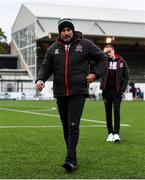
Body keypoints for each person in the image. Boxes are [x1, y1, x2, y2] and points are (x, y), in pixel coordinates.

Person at [35, 18, 107, 172]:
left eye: (69, 30)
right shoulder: (53, 48)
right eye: (63, 30)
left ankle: (70, 160)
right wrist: (40, 79)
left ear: (72, 31)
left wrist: (95, 74)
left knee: (73, 124)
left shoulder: (85, 44)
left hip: (78, 91)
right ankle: (72, 155)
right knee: (66, 126)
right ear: (60, 32)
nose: (66, 33)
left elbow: (102, 58)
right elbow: (46, 66)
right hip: (60, 91)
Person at [100, 44, 129, 142]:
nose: (107, 54)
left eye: (109, 52)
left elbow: (126, 77)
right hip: (106, 91)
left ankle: (116, 133)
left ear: (113, 51)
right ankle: (110, 133)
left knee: (116, 111)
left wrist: (122, 90)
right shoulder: (103, 62)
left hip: (117, 92)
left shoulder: (121, 61)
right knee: (108, 113)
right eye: (105, 52)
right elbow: (96, 69)